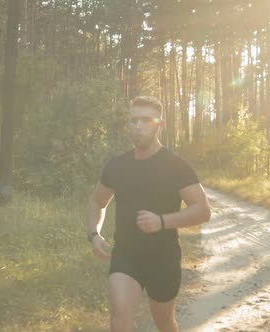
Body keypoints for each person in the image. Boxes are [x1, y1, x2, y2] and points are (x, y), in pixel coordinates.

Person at [87, 96, 211, 332]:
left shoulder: (176, 165)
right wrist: (94, 233)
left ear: (159, 124)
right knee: (119, 318)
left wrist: (162, 221)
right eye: (133, 120)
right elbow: (97, 200)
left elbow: (203, 210)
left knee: (164, 323)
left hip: (162, 258)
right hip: (126, 255)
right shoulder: (117, 165)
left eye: (145, 120)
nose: (138, 126)